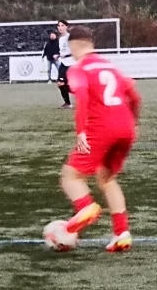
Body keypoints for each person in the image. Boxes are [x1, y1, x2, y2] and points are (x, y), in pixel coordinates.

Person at [58, 23, 141, 251]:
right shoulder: (109, 65)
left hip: (101, 128)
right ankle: (121, 233)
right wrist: (134, 123)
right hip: (126, 127)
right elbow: (135, 96)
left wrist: (81, 132)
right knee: (107, 178)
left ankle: (85, 207)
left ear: (73, 46)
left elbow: (83, 98)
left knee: (71, 176)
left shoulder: (78, 68)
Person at [43, 20, 72, 107]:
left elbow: (75, 50)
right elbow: (62, 51)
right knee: (60, 83)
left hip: (71, 63)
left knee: (64, 83)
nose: (60, 27)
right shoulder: (61, 39)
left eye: (62, 25)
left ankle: (70, 102)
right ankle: (67, 103)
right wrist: (59, 55)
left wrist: (64, 55)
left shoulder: (70, 37)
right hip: (63, 63)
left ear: (66, 27)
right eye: (59, 26)